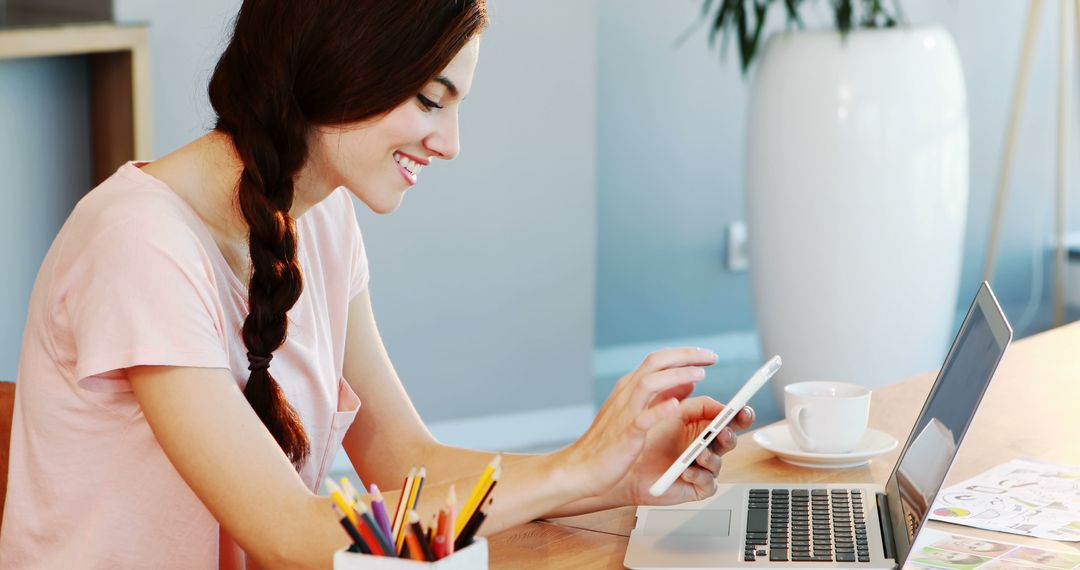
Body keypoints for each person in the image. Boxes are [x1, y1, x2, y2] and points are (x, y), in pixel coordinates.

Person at [0, 2, 754, 569]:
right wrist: (571, 466)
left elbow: (403, 464)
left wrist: (612, 477)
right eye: (431, 100)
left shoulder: (320, 221)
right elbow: (293, 534)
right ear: (341, 60)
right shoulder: (138, 243)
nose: (450, 144)